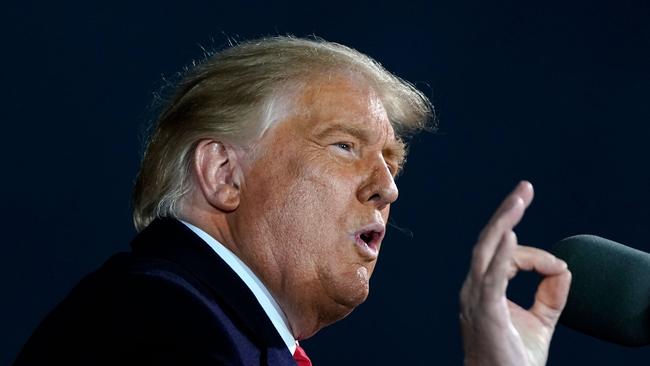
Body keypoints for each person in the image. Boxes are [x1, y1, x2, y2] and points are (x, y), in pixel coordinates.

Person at [14, 36, 571, 366]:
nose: (387, 186)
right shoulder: (155, 325)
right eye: (346, 145)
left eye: (393, 161)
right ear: (224, 173)